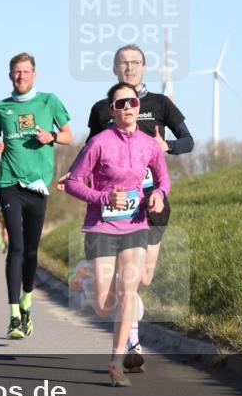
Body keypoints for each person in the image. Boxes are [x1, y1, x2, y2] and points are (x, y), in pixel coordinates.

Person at [58, 44, 194, 371]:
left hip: (152, 202)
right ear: (115, 69)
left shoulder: (160, 104)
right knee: (124, 287)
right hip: (113, 208)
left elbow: (188, 141)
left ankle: (105, 288)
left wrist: (169, 146)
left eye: (135, 62)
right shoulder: (103, 108)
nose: (130, 67)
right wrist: (74, 172)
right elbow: (91, 146)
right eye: (123, 62)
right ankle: (131, 340)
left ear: (145, 68)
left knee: (142, 279)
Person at [64, 82, 170, 386]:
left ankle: (116, 362)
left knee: (128, 292)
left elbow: (163, 180)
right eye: (121, 104)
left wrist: (159, 196)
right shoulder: (99, 142)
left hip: (136, 226)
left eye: (132, 103)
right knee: (103, 304)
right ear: (112, 110)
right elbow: (74, 183)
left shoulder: (149, 144)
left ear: (139, 107)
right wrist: (103, 198)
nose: (128, 108)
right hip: (101, 227)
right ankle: (84, 276)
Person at [0, 52, 72, 339]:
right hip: (9, 182)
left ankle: (26, 302)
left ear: (34, 74)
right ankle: (12, 317)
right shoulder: (1, 107)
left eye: (25, 71)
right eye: (16, 72)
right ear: (10, 75)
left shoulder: (50, 101)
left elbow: (69, 135)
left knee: (33, 251)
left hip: (38, 186)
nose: (20, 76)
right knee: (17, 247)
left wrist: (52, 136)